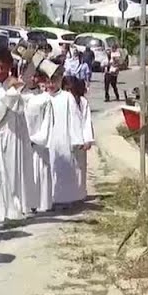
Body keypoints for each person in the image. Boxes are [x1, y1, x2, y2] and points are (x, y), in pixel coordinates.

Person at [0, 48, 36, 224]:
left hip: (12, 134)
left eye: (2, 68)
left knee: (10, 172)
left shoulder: (17, 86)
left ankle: (12, 209)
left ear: (9, 67)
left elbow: (20, 108)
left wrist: (14, 90)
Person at [44, 77, 87, 206]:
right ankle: (51, 198)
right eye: (48, 82)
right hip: (48, 139)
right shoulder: (43, 98)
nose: (51, 85)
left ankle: (67, 199)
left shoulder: (67, 97)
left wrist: (78, 138)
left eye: (54, 81)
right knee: (50, 169)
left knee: (65, 168)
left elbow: (75, 118)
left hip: (64, 139)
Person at [23, 71, 56, 213]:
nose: (32, 79)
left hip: (38, 143)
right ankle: (28, 203)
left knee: (40, 170)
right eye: (30, 76)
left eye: (35, 76)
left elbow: (47, 123)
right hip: (25, 142)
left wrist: (36, 139)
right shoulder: (24, 97)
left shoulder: (46, 99)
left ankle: (43, 203)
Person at [66, 76, 95, 204]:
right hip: (64, 139)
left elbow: (87, 121)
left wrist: (87, 139)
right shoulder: (60, 100)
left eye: (70, 89)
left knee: (79, 168)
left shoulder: (82, 102)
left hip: (79, 139)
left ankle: (79, 194)